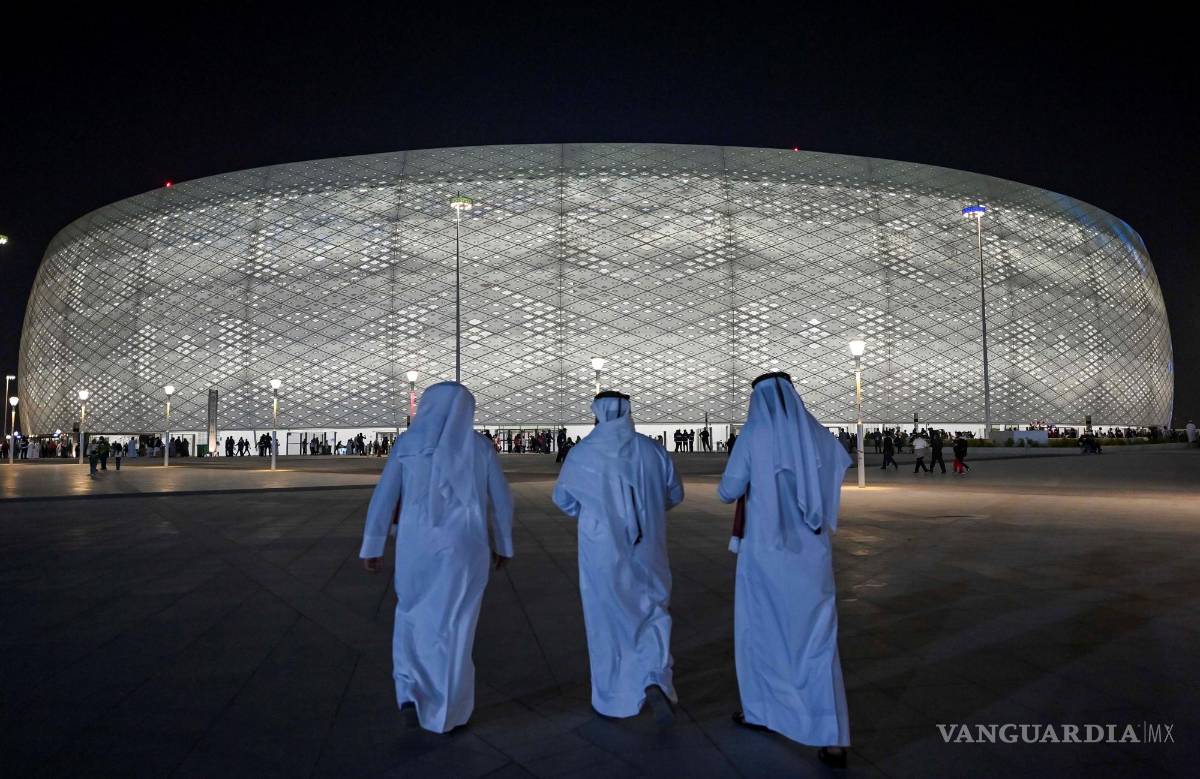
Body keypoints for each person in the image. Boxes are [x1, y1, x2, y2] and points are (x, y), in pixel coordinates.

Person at [359, 382, 514, 734]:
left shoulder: (408, 445)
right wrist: (503, 543)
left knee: (411, 614)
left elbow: (384, 497)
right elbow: (502, 501)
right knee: (456, 626)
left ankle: (409, 688)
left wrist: (373, 545)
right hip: (465, 548)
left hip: (416, 547)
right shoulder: (479, 448)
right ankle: (446, 708)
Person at [717, 372, 850, 767]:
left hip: (765, 556)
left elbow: (728, 490)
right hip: (812, 559)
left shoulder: (754, 435)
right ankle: (833, 738)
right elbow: (838, 467)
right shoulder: (818, 434)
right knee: (817, 642)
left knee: (761, 634)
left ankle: (762, 712)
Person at [552, 391, 684, 724]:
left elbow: (564, 500)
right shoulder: (652, 449)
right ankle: (655, 675)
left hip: (602, 549)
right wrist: (649, 508)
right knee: (653, 608)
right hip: (648, 544)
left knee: (606, 616)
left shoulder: (582, 454)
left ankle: (615, 696)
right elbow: (674, 493)